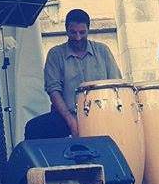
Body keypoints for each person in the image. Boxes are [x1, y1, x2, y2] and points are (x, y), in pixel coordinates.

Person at [23, 8, 122, 140]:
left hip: (102, 114)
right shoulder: (55, 54)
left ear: (88, 30)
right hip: (66, 116)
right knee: (33, 128)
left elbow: (116, 85)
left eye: (82, 32)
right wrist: (71, 121)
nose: (78, 37)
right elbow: (53, 90)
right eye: (73, 32)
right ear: (66, 30)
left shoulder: (102, 50)